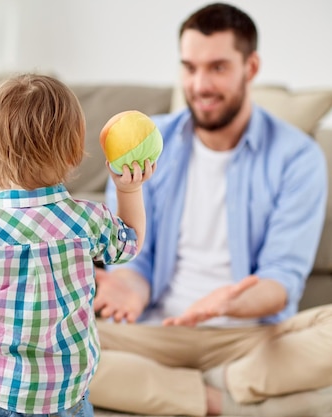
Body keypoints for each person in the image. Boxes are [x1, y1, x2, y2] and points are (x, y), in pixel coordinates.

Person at [90, 3, 332, 417]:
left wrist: (227, 304)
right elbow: (136, 259)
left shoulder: (297, 156)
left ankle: (218, 382)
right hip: (155, 334)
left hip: (252, 338)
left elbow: (282, 278)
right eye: (189, 67)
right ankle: (227, 402)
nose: (200, 84)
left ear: (250, 67)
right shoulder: (146, 145)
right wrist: (128, 286)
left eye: (217, 67)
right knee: (39, 344)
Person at [0, 74, 155, 416]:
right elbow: (130, 242)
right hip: (67, 390)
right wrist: (129, 190)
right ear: (73, 153)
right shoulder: (86, 222)